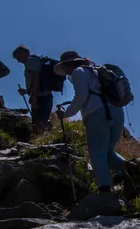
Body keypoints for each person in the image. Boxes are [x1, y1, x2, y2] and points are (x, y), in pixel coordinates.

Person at [53, 51, 128, 193]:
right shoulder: (96, 70)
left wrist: (65, 114)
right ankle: (132, 170)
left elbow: (81, 96)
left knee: (97, 153)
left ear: (67, 65)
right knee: (108, 152)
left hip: (97, 114)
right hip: (117, 112)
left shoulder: (77, 72)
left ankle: (104, 189)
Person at [12, 45, 54, 132]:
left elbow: (36, 80)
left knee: (38, 122)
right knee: (41, 120)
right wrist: (26, 91)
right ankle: (44, 138)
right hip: (45, 94)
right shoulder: (35, 61)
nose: (18, 61)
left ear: (24, 53)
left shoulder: (31, 61)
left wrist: (33, 96)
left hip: (40, 96)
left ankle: (42, 141)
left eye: (18, 57)